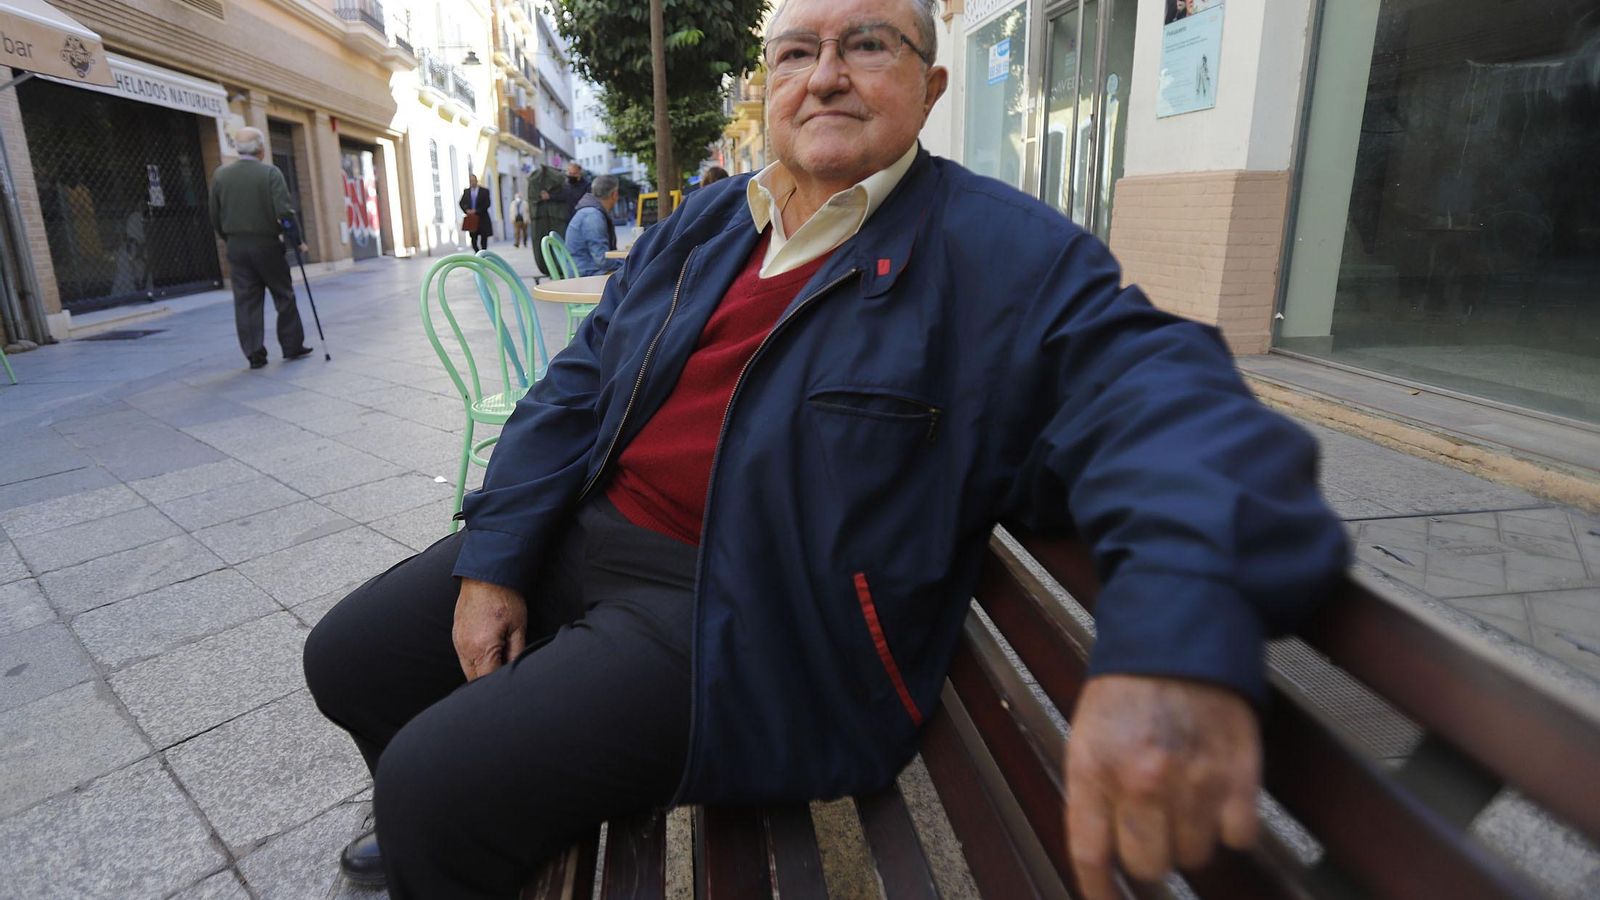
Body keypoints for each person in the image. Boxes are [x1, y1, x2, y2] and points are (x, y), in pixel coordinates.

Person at [303, 0, 1348, 897]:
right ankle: (447, 836)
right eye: (796, 52)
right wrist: (496, 554)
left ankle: (447, 841)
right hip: (593, 534)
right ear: (767, 85)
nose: (826, 76)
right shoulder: (709, 223)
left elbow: (1178, 407)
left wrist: (1170, 631)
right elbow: (575, 391)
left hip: (745, 619)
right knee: (347, 658)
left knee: (437, 786)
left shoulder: (1007, 258)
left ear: (932, 86)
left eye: (869, 44)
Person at [209, 126, 312, 370]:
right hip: (266, 244)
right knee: (283, 294)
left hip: (236, 245)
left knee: (245, 300)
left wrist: (229, 237)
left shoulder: (221, 175)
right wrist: (297, 241)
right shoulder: (270, 174)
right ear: (262, 149)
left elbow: (214, 215)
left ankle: (254, 353)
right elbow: (284, 213)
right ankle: (291, 345)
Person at [563, 174, 623, 276]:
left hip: (582, 269)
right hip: (585, 274)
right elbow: (602, 260)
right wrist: (628, 263)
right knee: (637, 275)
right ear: (614, 194)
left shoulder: (590, 211)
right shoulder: (593, 216)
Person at [528, 157, 572, 276]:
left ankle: (556, 268)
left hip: (554, 220)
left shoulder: (559, 181)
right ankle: (557, 268)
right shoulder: (560, 181)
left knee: (553, 244)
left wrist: (550, 196)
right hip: (551, 220)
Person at [459, 174, 493, 252]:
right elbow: (461, 203)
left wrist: (477, 210)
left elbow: (487, 204)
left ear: (476, 181)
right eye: (471, 181)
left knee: (484, 238)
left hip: (482, 218)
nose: (472, 182)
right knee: (473, 238)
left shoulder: (484, 191)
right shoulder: (466, 191)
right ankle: (477, 253)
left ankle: (483, 253)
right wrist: (467, 210)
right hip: (472, 219)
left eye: (473, 181)